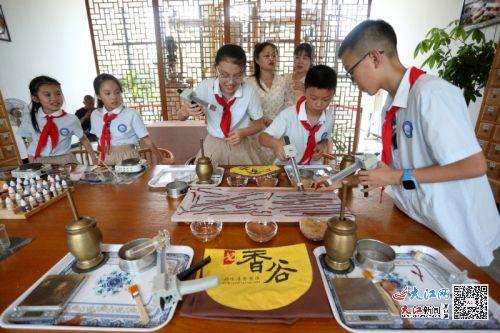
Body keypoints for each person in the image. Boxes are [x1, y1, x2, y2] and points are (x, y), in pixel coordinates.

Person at [329, 19, 499, 267]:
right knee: (429, 298)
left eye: (351, 70)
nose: (352, 80)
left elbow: (474, 166)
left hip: (458, 229)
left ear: (374, 57)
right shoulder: (392, 103)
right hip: (425, 221)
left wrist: (397, 176)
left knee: (465, 299)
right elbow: (390, 171)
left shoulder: (431, 94)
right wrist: (341, 181)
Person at [179, 44, 265, 165]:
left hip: (241, 145)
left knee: (246, 182)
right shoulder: (205, 87)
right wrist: (186, 111)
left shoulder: (249, 91)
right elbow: (180, 117)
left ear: (244, 71)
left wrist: (242, 133)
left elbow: (259, 124)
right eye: (224, 75)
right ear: (216, 68)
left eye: (237, 75)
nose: (230, 82)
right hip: (213, 144)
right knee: (205, 180)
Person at [259, 65, 335, 165]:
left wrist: (322, 145)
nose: (319, 104)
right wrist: (275, 143)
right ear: (305, 91)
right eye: (313, 98)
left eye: (325, 99)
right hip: (287, 169)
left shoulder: (329, 117)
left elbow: (326, 138)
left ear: (333, 94)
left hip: (313, 170)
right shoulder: (289, 115)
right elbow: (262, 137)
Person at [90, 73, 168, 165]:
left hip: (128, 158)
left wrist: (161, 158)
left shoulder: (131, 114)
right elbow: (99, 139)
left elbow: (147, 140)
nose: (114, 97)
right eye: (107, 93)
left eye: (117, 92)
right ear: (98, 96)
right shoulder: (95, 115)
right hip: (105, 158)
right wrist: (98, 159)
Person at [18, 76, 98, 165]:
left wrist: (94, 158)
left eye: (58, 93)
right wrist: (32, 163)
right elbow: (31, 143)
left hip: (64, 160)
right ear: (35, 98)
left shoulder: (71, 119)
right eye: (47, 95)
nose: (55, 98)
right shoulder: (29, 118)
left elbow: (83, 139)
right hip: (40, 161)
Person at [246, 42, 293, 164]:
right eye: (267, 56)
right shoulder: (248, 83)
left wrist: (278, 122)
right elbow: (242, 108)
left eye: (274, 55)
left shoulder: (283, 81)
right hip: (255, 133)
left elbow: (289, 105)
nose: (271, 58)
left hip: (278, 131)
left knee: (277, 169)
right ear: (257, 59)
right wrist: (260, 119)